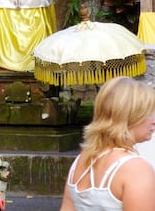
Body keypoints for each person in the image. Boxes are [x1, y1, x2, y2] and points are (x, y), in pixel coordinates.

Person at [61, 76, 155, 210]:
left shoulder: (82, 159)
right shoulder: (136, 169)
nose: (154, 121)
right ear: (130, 116)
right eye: (149, 113)